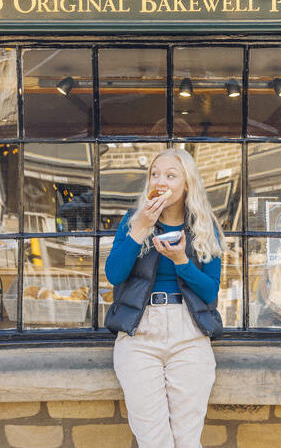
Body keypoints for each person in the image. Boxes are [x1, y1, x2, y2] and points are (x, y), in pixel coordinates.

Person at [104, 148, 224, 448]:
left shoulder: (204, 226)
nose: (161, 180)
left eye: (171, 175)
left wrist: (183, 261)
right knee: (153, 439)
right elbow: (114, 275)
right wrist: (141, 228)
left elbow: (211, 292)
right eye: (155, 174)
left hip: (190, 332)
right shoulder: (133, 221)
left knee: (187, 438)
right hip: (140, 333)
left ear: (187, 185)